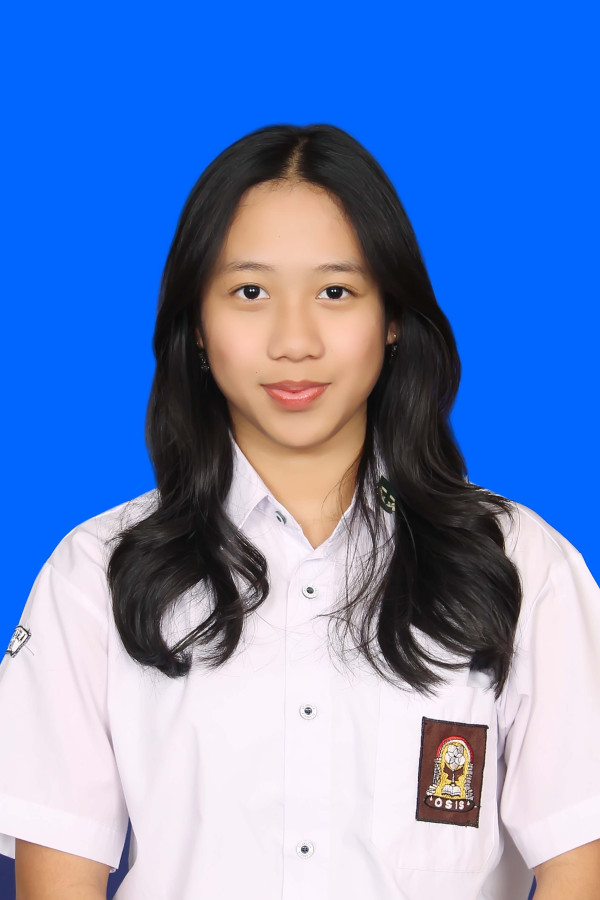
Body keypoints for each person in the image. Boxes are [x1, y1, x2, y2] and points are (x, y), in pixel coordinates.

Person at [0, 123, 599, 900]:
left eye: (335, 292)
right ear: (196, 326)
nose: (294, 341)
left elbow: (581, 862)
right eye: (250, 292)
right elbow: (59, 877)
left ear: (392, 317)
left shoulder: (521, 565)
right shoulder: (95, 574)